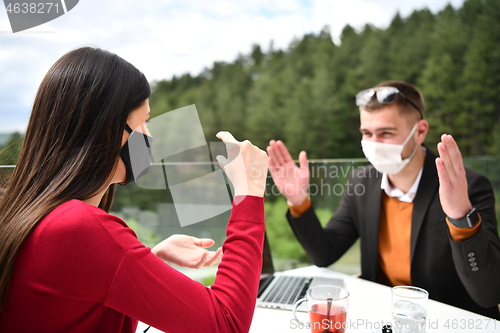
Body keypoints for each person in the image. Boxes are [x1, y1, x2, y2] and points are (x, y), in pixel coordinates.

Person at [0, 47, 269, 332]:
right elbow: (225, 323)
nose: (149, 136)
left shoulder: (31, 214)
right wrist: (249, 193)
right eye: (143, 123)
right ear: (108, 131)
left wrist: (147, 261)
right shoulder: (76, 227)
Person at [267, 80, 500, 319]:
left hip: (446, 319)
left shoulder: (466, 187)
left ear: (420, 131)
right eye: (366, 133)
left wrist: (460, 215)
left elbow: (489, 294)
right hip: (382, 314)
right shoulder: (362, 181)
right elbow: (324, 253)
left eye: (386, 133)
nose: (373, 144)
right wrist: (298, 200)